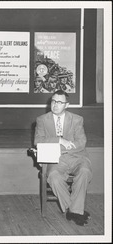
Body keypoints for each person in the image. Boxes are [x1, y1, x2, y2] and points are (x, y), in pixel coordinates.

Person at [34, 90, 92, 226]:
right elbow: (38, 141)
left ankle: (73, 211)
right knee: (53, 176)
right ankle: (75, 211)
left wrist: (58, 147)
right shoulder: (42, 120)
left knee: (85, 172)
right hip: (56, 159)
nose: (55, 105)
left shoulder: (77, 119)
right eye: (53, 101)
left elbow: (81, 143)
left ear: (66, 105)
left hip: (77, 156)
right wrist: (59, 140)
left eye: (59, 102)